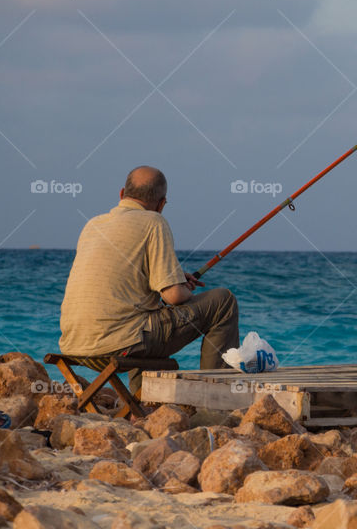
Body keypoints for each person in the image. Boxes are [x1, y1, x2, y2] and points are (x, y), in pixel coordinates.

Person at [60, 165, 239, 394]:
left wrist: (172, 278)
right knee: (223, 301)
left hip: (73, 345)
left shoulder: (93, 225)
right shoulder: (154, 222)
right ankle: (217, 397)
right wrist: (184, 289)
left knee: (143, 314)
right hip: (118, 346)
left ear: (122, 193)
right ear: (161, 204)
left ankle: (142, 403)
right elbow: (173, 296)